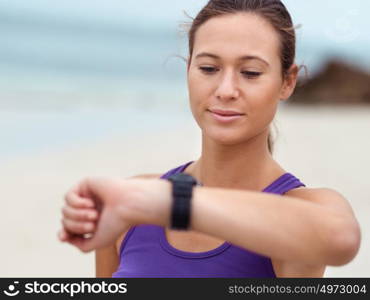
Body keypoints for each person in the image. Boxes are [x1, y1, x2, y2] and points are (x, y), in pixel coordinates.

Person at [58, 0, 361, 278]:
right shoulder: (131, 207)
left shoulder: (304, 208)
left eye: (251, 72)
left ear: (287, 82)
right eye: (208, 68)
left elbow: (340, 238)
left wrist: (166, 204)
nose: (226, 89)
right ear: (188, 69)